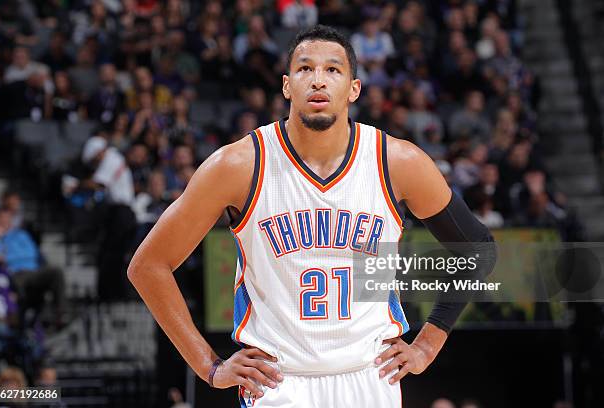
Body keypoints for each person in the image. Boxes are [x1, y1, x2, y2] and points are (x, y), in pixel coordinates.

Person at [128, 25, 496, 407]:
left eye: (333, 70)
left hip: (369, 377)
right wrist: (208, 365)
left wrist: (427, 345)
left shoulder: (397, 162)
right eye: (305, 69)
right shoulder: (238, 165)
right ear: (287, 86)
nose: (318, 80)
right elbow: (149, 265)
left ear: (353, 88)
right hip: (277, 382)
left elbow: (478, 249)